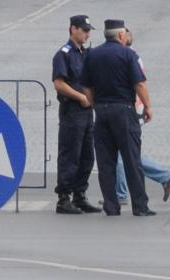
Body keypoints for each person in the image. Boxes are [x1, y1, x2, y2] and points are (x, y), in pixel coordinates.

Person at [83, 19, 156, 217]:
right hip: (123, 111)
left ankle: (111, 206)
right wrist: (148, 106)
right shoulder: (128, 54)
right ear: (121, 35)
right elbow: (139, 84)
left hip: (102, 112)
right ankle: (140, 207)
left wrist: (96, 104)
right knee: (132, 160)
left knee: (106, 163)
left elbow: (87, 87)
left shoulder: (92, 55)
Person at [51, 15, 101, 214]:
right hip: (72, 111)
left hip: (88, 112)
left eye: (89, 30)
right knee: (70, 155)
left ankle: (80, 195)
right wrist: (80, 97)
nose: (87, 34)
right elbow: (59, 83)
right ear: (73, 29)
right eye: (84, 30)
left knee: (87, 156)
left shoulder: (85, 54)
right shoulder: (64, 54)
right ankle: (64, 198)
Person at [114, 28, 170, 205]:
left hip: (130, 111)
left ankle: (121, 194)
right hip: (132, 109)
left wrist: (147, 106)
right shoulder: (130, 55)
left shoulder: (127, 56)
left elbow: (139, 84)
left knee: (122, 154)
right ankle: (165, 176)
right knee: (128, 153)